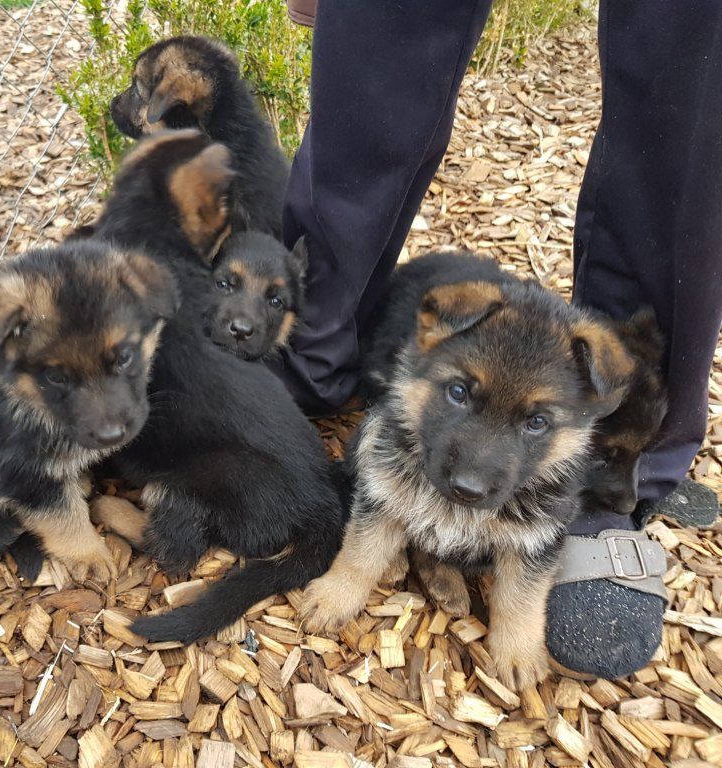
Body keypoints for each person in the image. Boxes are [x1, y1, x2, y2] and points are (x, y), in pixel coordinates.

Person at [276, 0, 722, 679]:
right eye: (459, 391)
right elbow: (378, 506)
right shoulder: (453, 320)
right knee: (379, 45)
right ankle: (301, 359)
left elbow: (529, 552)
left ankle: (614, 484)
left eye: (538, 420)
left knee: (689, 64)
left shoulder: (579, 389)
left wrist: (517, 625)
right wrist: (351, 575)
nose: (474, 466)